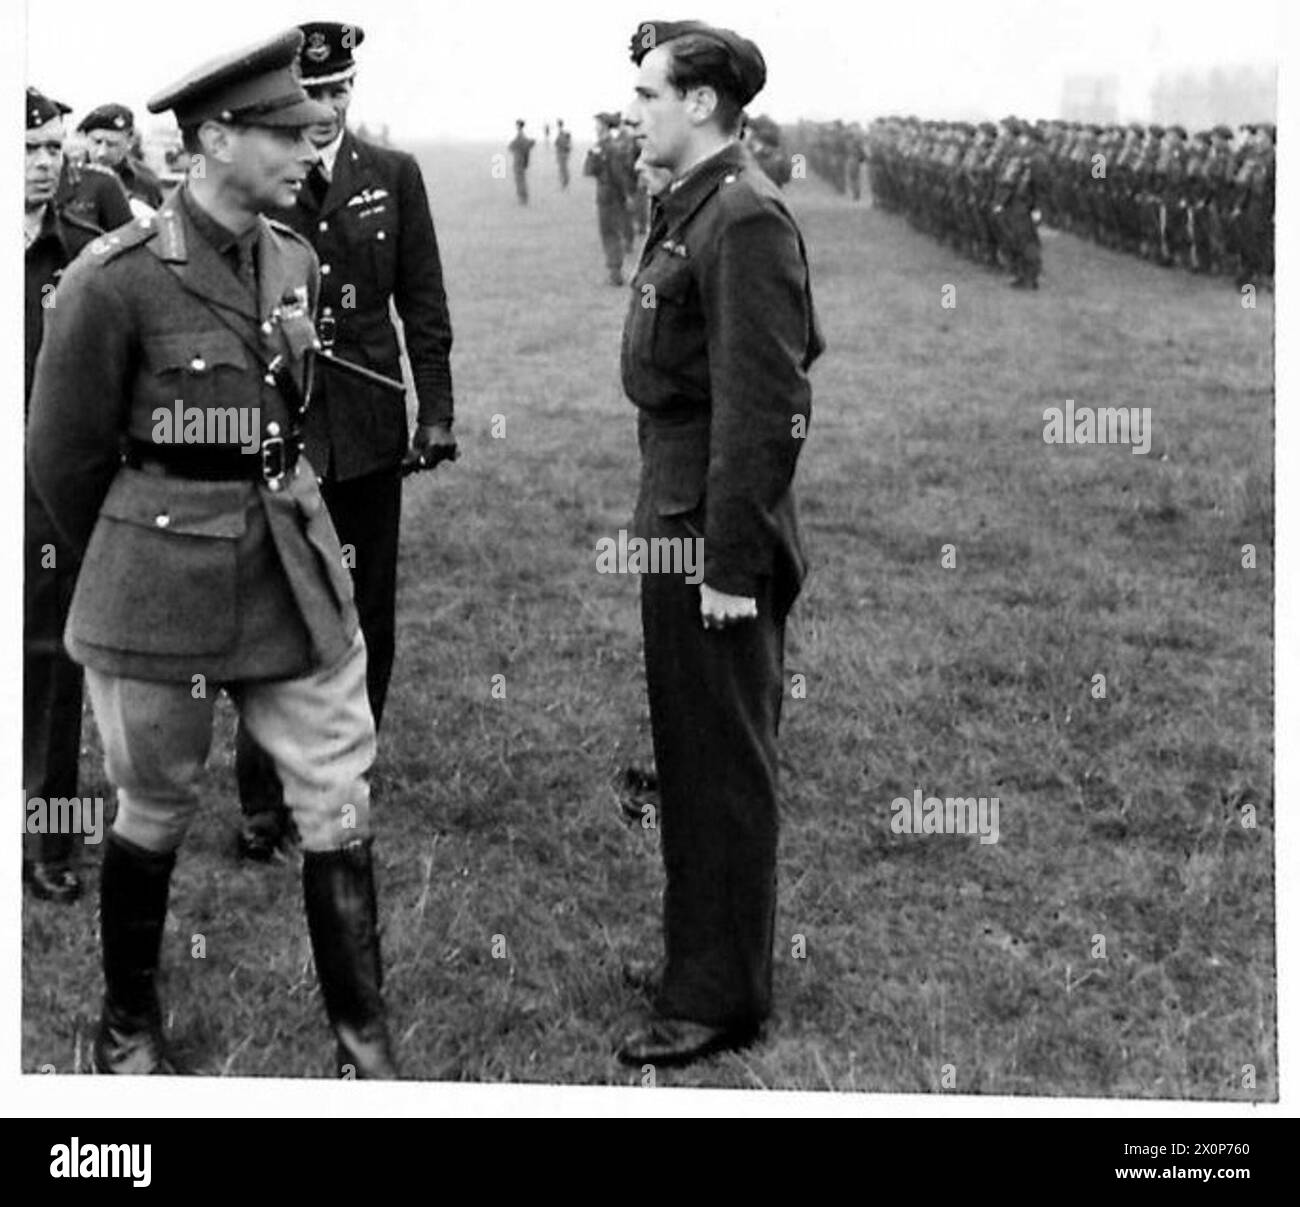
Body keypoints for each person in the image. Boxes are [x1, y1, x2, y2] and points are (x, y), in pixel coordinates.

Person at [26, 27, 398, 1079]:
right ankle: (127, 1026)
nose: (306, 149)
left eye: (313, 129)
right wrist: (156, 527)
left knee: (338, 797)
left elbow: (295, 404)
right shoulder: (114, 279)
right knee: (153, 802)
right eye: (284, 132)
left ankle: (364, 1051)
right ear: (212, 138)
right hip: (157, 586)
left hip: (288, 563)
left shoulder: (294, 256)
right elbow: (62, 461)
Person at [617, 20, 823, 1067]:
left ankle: (720, 994)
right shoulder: (694, 203)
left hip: (711, 536)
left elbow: (763, 403)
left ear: (701, 104)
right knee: (688, 756)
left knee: (720, 766)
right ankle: (698, 957)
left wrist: (731, 569)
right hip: (678, 514)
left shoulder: (739, 216)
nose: (634, 110)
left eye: (650, 94)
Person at [234, 20, 457, 862]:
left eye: (339, 91)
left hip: (366, 431)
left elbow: (424, 303)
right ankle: (263, 806)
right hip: (277, 427)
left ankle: (345, 778)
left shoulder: (392, 176)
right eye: (310, 93)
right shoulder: (263, 181)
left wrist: (434, 410)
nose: (325, 109)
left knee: (367, 614)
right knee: (272, 610)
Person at [24, 87, 102, 904]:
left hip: (45, 495)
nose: (45, 163)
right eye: (28, 149)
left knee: (51, 661)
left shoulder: (81, 256)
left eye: (52, 148)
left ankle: (48, 839)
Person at [78, 103, 164, 213]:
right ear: (86, 139)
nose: (102, 153)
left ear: (130, 142)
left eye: (111, 144)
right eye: (97, 142)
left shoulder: (146, 182)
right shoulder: (65, 175)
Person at [584, 111, 631, 285]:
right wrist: (593, 154)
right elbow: (588, 171)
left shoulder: (611, 147)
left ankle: (615, 273)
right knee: (608, 232)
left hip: (610, 195)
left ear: (604, 126)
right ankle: (614, 272)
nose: (595, 127)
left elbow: (618, 175)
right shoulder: (601, 147)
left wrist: (624, 196)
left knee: (610, 233)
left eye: (597, 124)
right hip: (604, 194)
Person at [508, 119, 535, 204]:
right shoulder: (522, 137)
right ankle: (523, 198)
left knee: (520, 181)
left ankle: (523, 199)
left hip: (518, 161)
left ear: (519, 126)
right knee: (520, 180)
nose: (516, 126)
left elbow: (511, 147)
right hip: (521, 161)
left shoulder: (520, 137)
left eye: (517, 125)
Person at [554, 118, 572, 189]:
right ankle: (564, 182)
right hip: (563, 153)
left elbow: (557, 143)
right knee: (563, 168)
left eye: (558, 124)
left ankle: (565, 183)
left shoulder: (562, 134)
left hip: (562, 153)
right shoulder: (563, 133)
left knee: (563, 169)